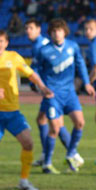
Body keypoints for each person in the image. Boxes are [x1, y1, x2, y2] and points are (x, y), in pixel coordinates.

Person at [0, 29, 53, 190]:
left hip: (13, 112)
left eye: (1, 41)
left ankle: (24, 181)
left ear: (6, 43)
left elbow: (31, 74)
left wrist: (43, 87)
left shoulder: (14, 57)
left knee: (28, 144)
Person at [35, 19, 95, 173]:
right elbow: (35, 71)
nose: (57, 33)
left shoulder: (72, 46)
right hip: (52, 95)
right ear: (50, 33)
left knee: (80, 122)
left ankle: (70, 153)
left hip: (69, 93)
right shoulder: (44, 50)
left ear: (64, 32)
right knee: (54, 128)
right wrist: (41, 87)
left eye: (59, 30)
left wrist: (87, 83)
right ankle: (47, 163)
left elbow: (80, 65)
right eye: (54, 31)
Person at [26, 19, 70, 169]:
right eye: (27, 28)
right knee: (43, 120)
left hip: (51, 90)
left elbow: (39, 67)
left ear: (39, 29)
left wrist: (37, 84)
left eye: (31, 28)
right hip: (48, 88)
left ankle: (71, 153)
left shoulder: (42, 45)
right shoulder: (38, 44)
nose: (28, 31)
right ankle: (61, 153)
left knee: (55, 123)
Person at [82, 19, 96, 164]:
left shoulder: (94, 44)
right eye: (86, 29)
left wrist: (87, 82)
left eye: (91, 29)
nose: (88, 32)